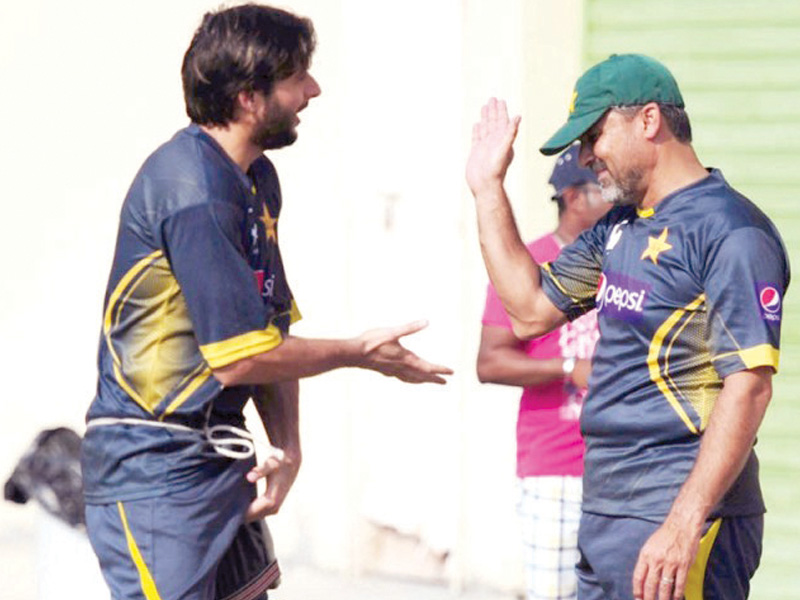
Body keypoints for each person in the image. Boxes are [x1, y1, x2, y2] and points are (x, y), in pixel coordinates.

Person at [81, 5, 452, 600]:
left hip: (220, 458)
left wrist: (289, 446)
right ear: (250, 97)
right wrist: (357, 351)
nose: (313, 89)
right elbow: (239, 359)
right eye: (297, 76)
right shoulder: (193, 191)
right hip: (154, 472)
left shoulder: (254, 179)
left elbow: (269, 328)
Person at [466, 53, 789, 600]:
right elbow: (527, 309)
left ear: (648, 120)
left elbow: (750, 385)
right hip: (607, 508)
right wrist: (486, 188)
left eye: (594, 135)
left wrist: (683, 524)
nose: (585, 156)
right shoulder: (621, 227)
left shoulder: (731, 231)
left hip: (679, 517)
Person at [477, 145, 608, 600]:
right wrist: (570, 369)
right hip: (557, 468)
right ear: (575, 198)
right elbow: (490, 361)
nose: (618, 196)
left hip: (623, 463)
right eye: (604, 187)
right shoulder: (528, 263)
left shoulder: (629, 256)